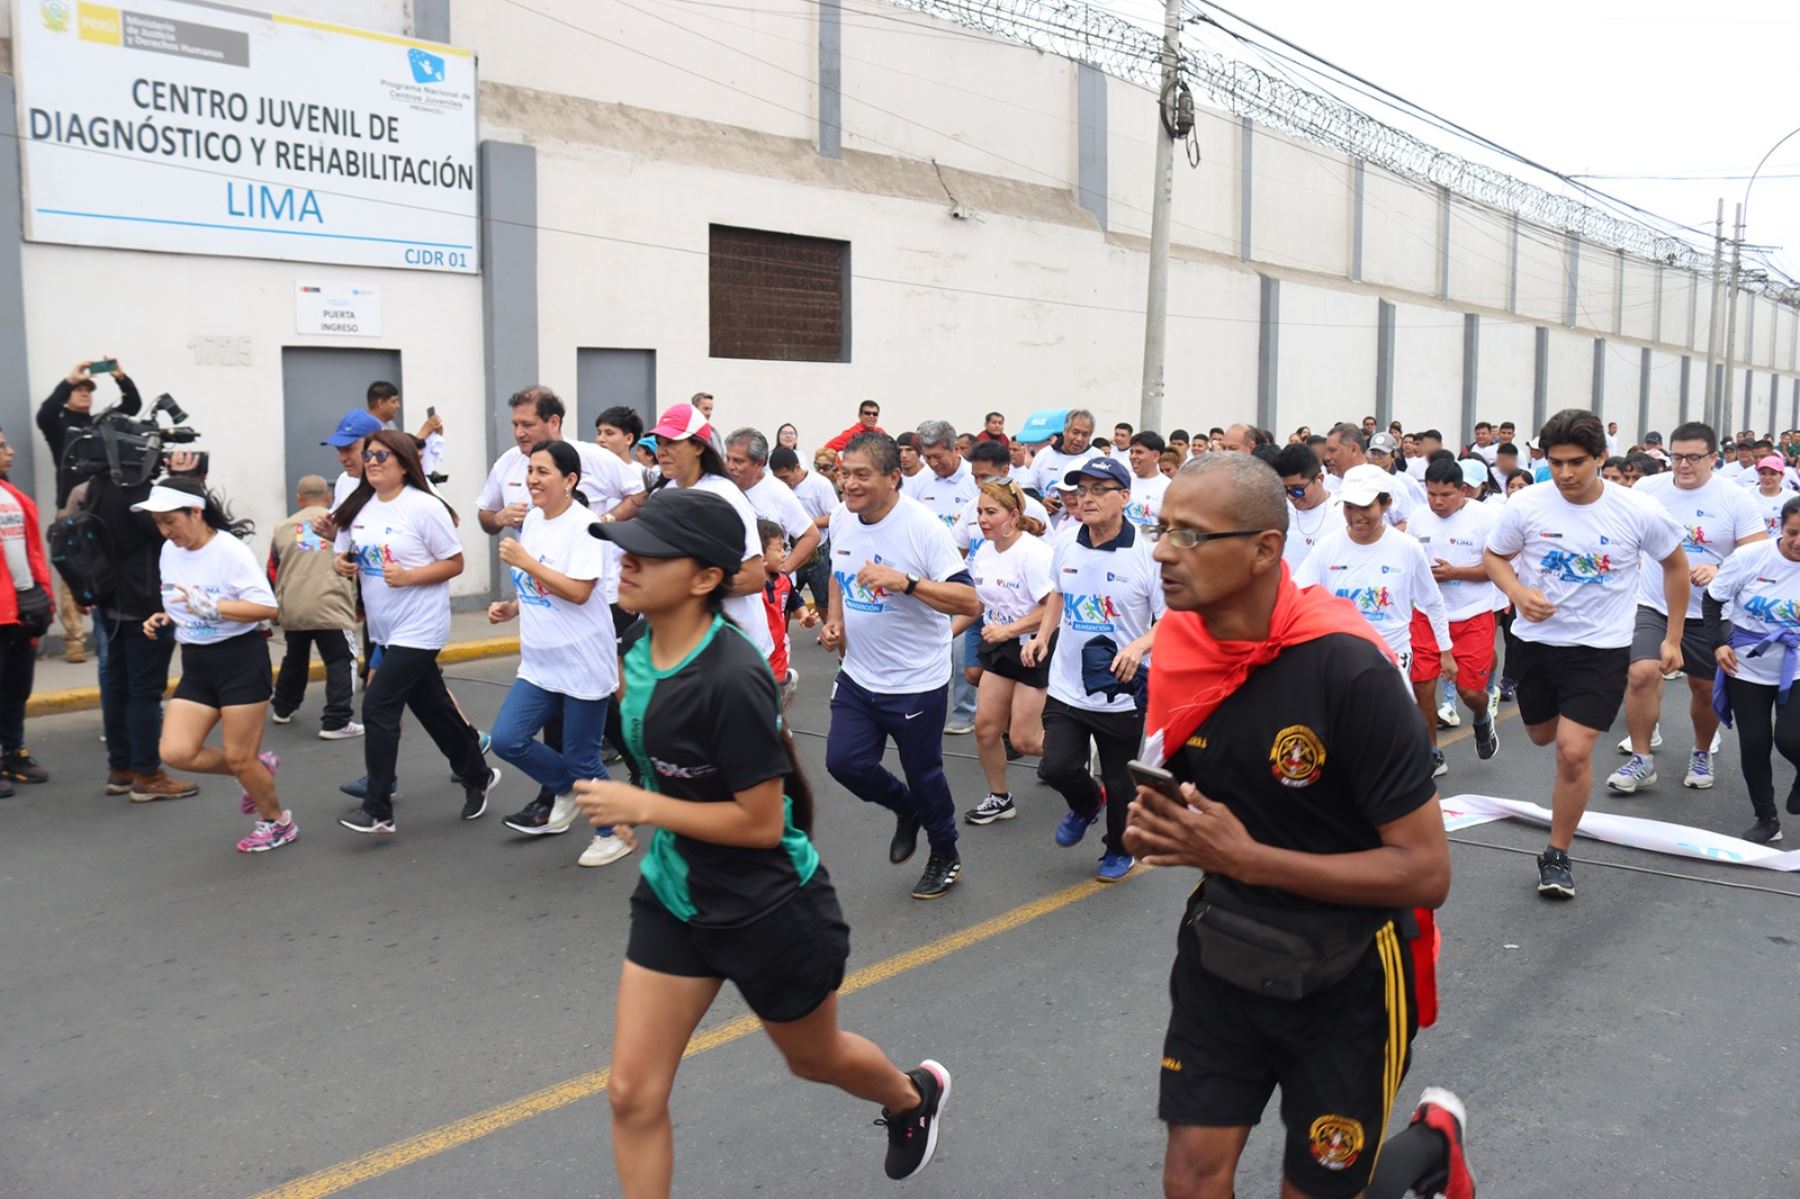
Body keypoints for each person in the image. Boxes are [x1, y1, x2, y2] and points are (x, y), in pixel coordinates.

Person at [575, 488, 950, 1196]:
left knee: (815, 1058)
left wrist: (642, 802)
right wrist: (640, 805)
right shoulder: (639, 647)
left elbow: (762, 823)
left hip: (768, 907)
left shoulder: (732, 676)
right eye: (624, 547)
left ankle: (910, 1096)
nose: (624, 562)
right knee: (630, 1092)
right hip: (676, 894)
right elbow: (667, 764)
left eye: (647, 553)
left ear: (705, 577)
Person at [1129, 452, 1450, 1199]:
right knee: (1190, 1180)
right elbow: (1204, 806)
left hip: (1351, 973)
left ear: (1267, 549)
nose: (1163, 551)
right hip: (1224, 951)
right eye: (1162, 527)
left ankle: (1431, 1149)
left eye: (1192, 534)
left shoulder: (1353, 672)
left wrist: (1245, 856)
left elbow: (1426, 873)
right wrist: (1165, 831)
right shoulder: (1184, 645)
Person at [1485, 409, 1688, 899]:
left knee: (1573, 753)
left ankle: (1556, 854)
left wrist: (1673, 638)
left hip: (1600, 648)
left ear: (1601, 457)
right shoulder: (1527, 504)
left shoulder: (1636, 511)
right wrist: (1517, 592)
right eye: (1555, 463)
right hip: (1535, 645)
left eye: (1577, 462)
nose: (1565, 474)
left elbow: (1676, 566)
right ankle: (1542, 727)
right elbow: (1494, 557)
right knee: (1540, 736)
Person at [820, 432, 980, 900]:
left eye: (861, 475)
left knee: (924, 772)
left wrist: (906, 582)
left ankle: (945, 853)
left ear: (893, 478)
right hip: (858, 675)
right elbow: (837, 571)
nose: (848, 483)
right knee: (844, 762)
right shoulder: (841, 518)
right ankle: (905, 808)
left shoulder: (922, 527)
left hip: (915, 680)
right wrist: (834, 620)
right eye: (844, 473)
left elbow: (969, 599)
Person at [333, 431, 501, 836]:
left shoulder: (423, 507)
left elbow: (454, 563)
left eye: (382, 456)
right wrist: (341, 563)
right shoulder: (359, 506)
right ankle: (477, 774)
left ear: (405, 463)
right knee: (433, 709)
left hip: (421, 626)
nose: (372, 462)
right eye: (368, 455)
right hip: (383, 627)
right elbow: (343, 551)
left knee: (377, 705)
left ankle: (378, 808)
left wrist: (410, 576)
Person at [488, 441, 631, 867]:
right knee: (508, 739)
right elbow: (540, 588)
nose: (532, 479)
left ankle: (612, 832)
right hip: (539, 661)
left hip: (582, 660)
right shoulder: (532, 521)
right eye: (531, 470)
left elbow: (579, 589)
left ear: (569, 481)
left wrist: (527, 563)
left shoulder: (585, 525)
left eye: (543, 471)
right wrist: (512, 606)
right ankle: (568, 788)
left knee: (582, 754)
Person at [1022, 457, 1163, 883]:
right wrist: (1044, 636)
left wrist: (1138, 646)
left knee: (1122, 782)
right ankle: (1086, 803)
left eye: (1099, 489)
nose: (1086, 498)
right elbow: (1058, 598)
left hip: (1122, 688)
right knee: (1056, 766)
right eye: (1081, 490)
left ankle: (1119, 849)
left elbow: (1172, 617)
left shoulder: (1148, 551)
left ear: (1124, 497)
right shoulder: (1066, 540)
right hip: (1067, 684)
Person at [134, 480, 292, 853]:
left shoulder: (229, 552)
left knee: (239, 756)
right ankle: (257, 769)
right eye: (158, 523)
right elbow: (181, 599)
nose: (165, 531)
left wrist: (216, 608)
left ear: (195, 512)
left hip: (239, 659)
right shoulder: (169, 552)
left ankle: (278, 823)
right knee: (176, 752)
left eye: (170, 521)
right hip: (197, 662)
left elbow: (268, 609)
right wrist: (164, 617)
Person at [1608, 422, 1764, 796]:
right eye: (1677, 457)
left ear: (1713, 458)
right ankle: (1642, 759)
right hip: (1653, 604)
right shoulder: (1648, 489)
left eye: (1693, 458)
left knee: (1703, 688)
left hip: (1711, 613)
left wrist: (1720, 569)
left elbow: (1759, 551)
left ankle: (1700, 751)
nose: (1683, 465)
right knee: (1642, 673)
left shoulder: (1735, 497)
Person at [1296, 465, 1453, 764]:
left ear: (1385, 504)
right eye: (1350, 506)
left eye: (1365, 507)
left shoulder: (1407, 548)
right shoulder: (1327, 548)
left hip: (1391, 655)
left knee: (1383, 725)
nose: (1356, 516)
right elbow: (1297, 594)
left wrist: (1445, 650)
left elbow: (1431, 601)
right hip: (1339, 656)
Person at [83, 437, 198, 802]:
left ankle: (120, 770)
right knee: (144, 693)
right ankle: (148, 774)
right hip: (146, 605)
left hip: (110, 602)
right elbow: (173, 535)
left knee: (116, 689)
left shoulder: (97, 488)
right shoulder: (140, 494)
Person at [1707, 493, 1800, 844]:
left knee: (1791, 738)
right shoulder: (1750, 557)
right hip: (1747, 665)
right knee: (1755, 742)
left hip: (1797, 667)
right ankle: (1766, 819)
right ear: (1780, 527)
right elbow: (1713, 600)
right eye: (1792, 533)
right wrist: (1718, 644)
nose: (1798, 543)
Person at [648, 402, 775, 660]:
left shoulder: (725, 495)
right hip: (684, 647)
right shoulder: (662, 495)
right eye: (659, 443)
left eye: (672, 442)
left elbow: (753, 578)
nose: (662, 451)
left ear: (697, 446)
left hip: (736, 649)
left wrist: (684, 590)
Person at [38, 358, 142, 662]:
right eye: (80, 389)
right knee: (73, 570)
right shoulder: (60, 426)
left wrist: (119, 375)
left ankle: (109, 629)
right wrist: (70, 379)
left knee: (109, 564)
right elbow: (44, 414)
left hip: (104, 507)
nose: (85, 393)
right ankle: (74, 642)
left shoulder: (101, 423)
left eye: (88, 390)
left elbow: (132, 406)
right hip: (70, 509)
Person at [962, 480, 1053, 825]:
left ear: (1014, 515)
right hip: (999, 647)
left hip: (1033, 648)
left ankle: (1074, 753)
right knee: (985, 728)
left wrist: (1010, 630)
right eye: (980, 513)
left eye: (991, 512)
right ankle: (1000, 798)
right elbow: (977, 604)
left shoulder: (1035, 553)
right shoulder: (983, 552)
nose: (983, 520)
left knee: (1025, 740)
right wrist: (944, 635)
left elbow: (1051, 608)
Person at [1408, 458, 1502, 776]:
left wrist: (1455, 573)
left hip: (1472, 614)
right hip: (1426, 615)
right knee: (1421, 684)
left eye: (1445, 495)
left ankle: (1481, 718)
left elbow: (1498, 569)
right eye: (1431, 494)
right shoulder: (1418, 519)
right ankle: (1432, 751)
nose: (1436, 502)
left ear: (1463, 490)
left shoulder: (1486, 518)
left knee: (1470, 692)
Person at [268, 475, 362, 739]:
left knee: (295, 658)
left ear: (299, 499)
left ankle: (283, 708)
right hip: (331, 603)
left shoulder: (282, 528)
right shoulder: (342, 524)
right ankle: (337, 721)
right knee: (341, 659)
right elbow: (358, 562)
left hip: (294, 604)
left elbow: (272, 569)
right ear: (329, 498)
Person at [905, 421, 982, 734]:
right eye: (928, 457)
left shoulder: (974, 481)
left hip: (970, 577)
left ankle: (965, 711)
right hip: (930, 576)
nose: (934, 463)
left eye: (939, 456)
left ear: (956, 449)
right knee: (927, 640)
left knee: (961, 647)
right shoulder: (921, 481)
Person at [0, 427, 53, 797]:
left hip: (23, 607)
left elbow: (33, 553)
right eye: (1, 445)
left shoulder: (14, 497)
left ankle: (12, 753)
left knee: (16, 687)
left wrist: (43, 597)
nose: (11, 450)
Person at [724, 428, 820, 572]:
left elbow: (811, 536)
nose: (730, 466)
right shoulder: (722, 488)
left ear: (759, 463)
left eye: (738, 461)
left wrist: (781, 574)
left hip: (769, 592)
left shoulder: (779, 492)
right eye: (728, 459)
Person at [770, 446, 839, 610]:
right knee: (783, 600)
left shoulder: (820, 484)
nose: (783, 482)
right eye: (778, 478)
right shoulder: (776, 488)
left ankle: (829, 634)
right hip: (789, 551)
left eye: (785, 477)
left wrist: (805, 524)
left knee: (824, 603)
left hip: (817, 552)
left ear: (797, 468)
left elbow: (835, 516)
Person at [758, 518, 816, 707]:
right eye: (778, 549)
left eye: (784, 548)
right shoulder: (747, 587)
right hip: (755, 650)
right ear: (760, 555)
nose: (784, 555)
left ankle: (778, 727)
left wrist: (805, 616)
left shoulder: (784, 580)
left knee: (774, 695)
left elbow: (795, 600)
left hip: (778, 650)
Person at [1275, 443, 1346, 573]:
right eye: (1284, 489)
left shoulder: (1342, 515)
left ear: (1319, 479)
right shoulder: (1278, 510)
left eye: (1298, 490)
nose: (1291, 497)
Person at [322, 408, 386, 512]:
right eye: (339, 450)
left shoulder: (395, 486)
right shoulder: (344, 480)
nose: (342, 458)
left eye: (348, 449)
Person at [1027, 409, 1103, 494]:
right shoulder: (1045, 455)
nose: (1079, 439)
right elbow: (1028, 488)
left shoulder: (1097, 458)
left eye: (1085, 435)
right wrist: (1042, 501)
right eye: (1075, 432)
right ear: (1065, 431)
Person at [1124, 431, 1171, 528]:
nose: (1133, 457)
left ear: (1155, 456)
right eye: (1131, 452)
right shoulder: (1123, 479)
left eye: (1139, 452)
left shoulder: (1169, 488)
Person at [1749, 453, 1792, 535]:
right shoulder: (1746, 495)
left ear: (1782, 475)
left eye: (1773, 474)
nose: (1767, 478)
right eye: (1763, 473)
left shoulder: (1792, 498)